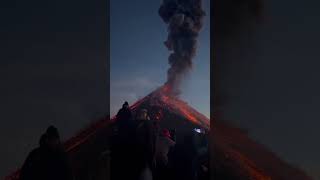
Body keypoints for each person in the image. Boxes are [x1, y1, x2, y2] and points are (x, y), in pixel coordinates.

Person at [111, 101, 135, 180]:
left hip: (121, 131)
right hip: (126, 131)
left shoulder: (120, 111)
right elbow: (130, 120)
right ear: (127, 106)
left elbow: (117, 119)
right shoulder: (128, 111)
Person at [133, 109, 156, 180]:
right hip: (144, 156)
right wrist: (152, 156)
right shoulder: (148, 124)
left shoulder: (133, 123)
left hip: (135, 155)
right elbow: (150, 141)